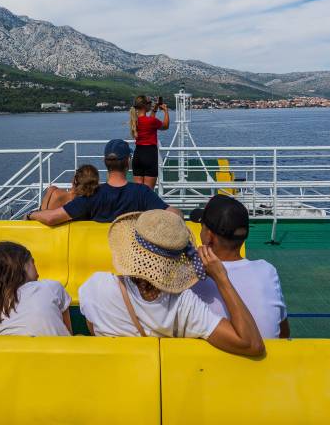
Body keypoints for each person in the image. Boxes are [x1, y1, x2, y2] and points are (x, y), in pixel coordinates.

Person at [79, 209, 265, 357]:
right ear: (176, 259)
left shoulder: (95, 286)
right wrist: (222, 279)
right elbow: (251, 344)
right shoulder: (183, 305)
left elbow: (92, 328)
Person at [190, 195, 289, 339]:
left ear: (209, 236)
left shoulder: (192, 278)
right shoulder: (267, 271)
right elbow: (283, 333)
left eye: (202, 227)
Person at [27, 139, 182, 225]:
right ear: (128, 162)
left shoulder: (91, 195)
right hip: (130, 259)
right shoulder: (143, 192)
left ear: (105, 162)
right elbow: (174, 215)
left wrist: (31, 214)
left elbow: (51, 218)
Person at [0, 241, 72, 336]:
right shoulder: (51, 287)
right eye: (33, 262)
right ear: (23, 266)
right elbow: (68, 335)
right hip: (58, 351)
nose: (38, 274)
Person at [130, 95, 169, 190]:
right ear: (145, 106)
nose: (151, 105)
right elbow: (165, 126)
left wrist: (154, 110)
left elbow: (149, 122)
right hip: (150, 155)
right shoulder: (151, 121)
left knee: (138, 191)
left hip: (138, 155)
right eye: (150, 103)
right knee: (148, 192)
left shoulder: (135, 121)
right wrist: (166, 111)